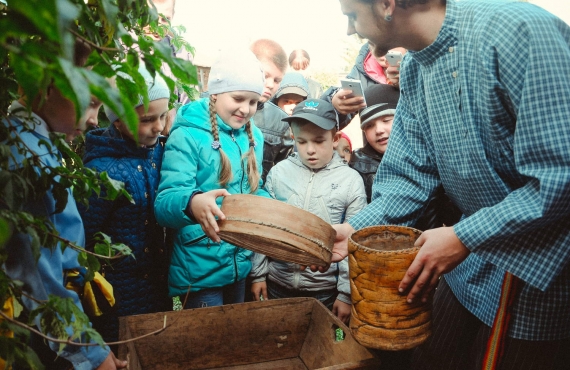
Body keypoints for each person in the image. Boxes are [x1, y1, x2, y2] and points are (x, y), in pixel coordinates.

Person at [330, 0, 570, 369]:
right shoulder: (412, 66)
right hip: (466, 263)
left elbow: (560, 176)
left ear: (387, 4)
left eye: (351, 15)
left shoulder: (516, 30)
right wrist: (356, 229)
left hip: (537, 265)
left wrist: (464, 236)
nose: (350, 30)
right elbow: (410, 174)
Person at [2, 40, 125, 369]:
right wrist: (91, 354)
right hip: (41, 337)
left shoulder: (33, 142)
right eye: (91, 103)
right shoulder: (30, 157)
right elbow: (39, 275)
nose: (93, 120)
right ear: (48, 85)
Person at [154, 49, 270, 309]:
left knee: (232, 338)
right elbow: (165, 203)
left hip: (239, 262)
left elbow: (254, 189)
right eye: (238, 98)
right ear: (215, 93)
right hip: (199, 268)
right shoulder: (188, 135)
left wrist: (271, 207)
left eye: (253, 102)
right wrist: (192, 203)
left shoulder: (254, 137)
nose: (245, 109)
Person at [78, 64, 172, 346]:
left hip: (157, 284)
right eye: (146, 120)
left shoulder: (159, 153)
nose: (158, 126)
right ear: (117, 120)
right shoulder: (102, 172)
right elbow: (83, 235)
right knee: (123, 350)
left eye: (163, 116)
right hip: (118, 293)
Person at [250, 99, 367, 324]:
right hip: (276, 285)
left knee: (326, 346)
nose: (310, 150)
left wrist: (345, 294)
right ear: (293, 138)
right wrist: (258, 274)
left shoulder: (351, 181)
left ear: (335, 139)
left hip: (325, 292)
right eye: (302, 141)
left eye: (319, 141)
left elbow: (354, 243)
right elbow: (264, 227)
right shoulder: (279, 173)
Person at [322, 43, 406, 130]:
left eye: (389, 44)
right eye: (373, 44)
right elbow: (321, 122)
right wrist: (335, 104)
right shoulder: (362, 70)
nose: (380, 51)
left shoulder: (419, 64)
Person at [248, 39, 292, 182]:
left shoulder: (282, 121)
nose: (270, 85)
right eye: (266, 76)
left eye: (277, 80)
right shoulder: (212, 104)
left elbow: (286, 171)